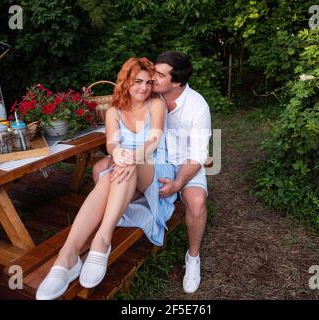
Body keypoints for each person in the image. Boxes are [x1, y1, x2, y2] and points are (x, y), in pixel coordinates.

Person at [36, 57, 177, 300]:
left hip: (154, 166)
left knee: (121, 168)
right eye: (137, 81)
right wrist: (119, 153)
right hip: (125, 168)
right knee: (110, 176)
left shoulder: (156, 105)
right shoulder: (114, 110)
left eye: (148, 82)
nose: (143, 87)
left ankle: (101, 239)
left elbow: (153, 140)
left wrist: (131, 156)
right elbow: (111, 143)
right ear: (126, 81)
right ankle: (68, 255)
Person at [93, 51, 212, 294]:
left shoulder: (197, 107)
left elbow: (199, 154)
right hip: (148, 158)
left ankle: (193, 257)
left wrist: (179, 182)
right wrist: (117, 152)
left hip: (183, 162)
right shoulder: (148, 93)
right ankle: (110, 230)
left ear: (176, 81)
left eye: (159, 75)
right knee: (99, 169)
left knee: (197, 202)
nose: (152, 79)